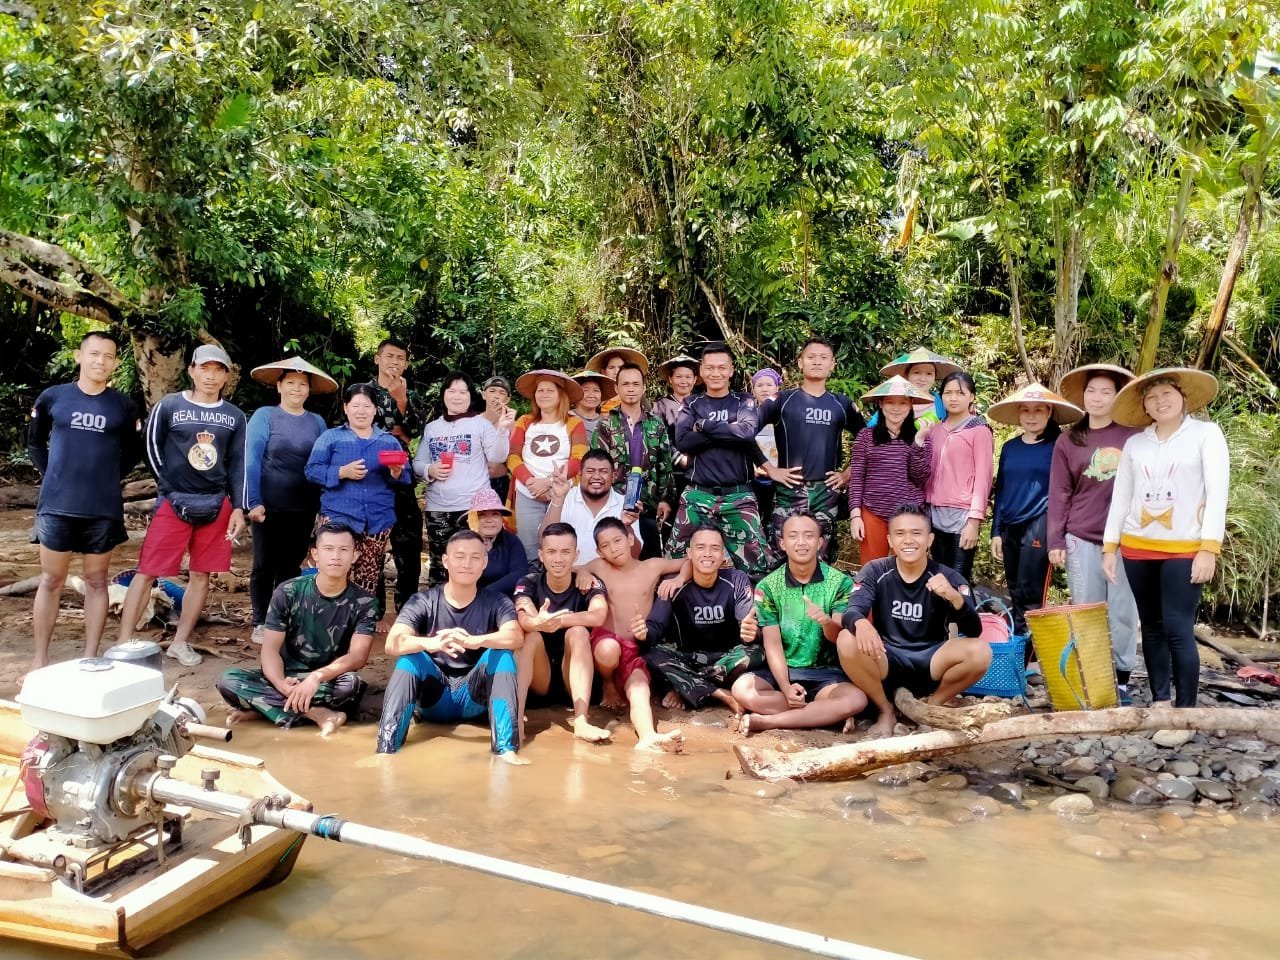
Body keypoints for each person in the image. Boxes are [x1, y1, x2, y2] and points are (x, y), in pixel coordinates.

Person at [1103, 368, 1228, 709]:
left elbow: (1217, 493)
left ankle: (1186, 712)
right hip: (1137, 546)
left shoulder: (1206, 434)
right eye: (1152, 397)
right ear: (1144, 406)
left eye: (1167, 394)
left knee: (1178, 626)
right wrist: (1110, 547)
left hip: (1185, 548)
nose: (1160, 402)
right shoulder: (1135, 443)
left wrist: (1209, 548)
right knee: (1152, 626)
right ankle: (1160, 701)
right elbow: (1121, 497)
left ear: (1182, 398)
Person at [117, 344, 247, 667]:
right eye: (204, 368)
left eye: (218, 370)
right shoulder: (170, 405)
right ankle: (123, 643)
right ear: (191, 371)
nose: (210, 376)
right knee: (147, 571)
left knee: (201, 575)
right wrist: (168, 486)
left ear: (226, 377)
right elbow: (151, 445)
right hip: (172, 501)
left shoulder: (234, 416)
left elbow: (238, 463)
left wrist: (238, 507)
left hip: (216, 503)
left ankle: (180, 642)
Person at [28, 331, 140, 670]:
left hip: (102, 509)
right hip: (57, 505)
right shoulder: (53, 397)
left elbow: (132, 452)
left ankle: (91, 656)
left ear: (115, 363)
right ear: (79, 356)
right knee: (51, 580)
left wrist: (107, 477)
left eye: (108, 356)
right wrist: (53, 474)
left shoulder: (123, 406)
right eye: (93, 353)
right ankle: (39, 660)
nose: (100, 361)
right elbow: (35, 442)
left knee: (96, 581)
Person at [836, 505, 990, 739]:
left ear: (930, 539)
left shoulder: (948, 576)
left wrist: (954, 598)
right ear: (890, 540)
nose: (908, 540)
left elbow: (974, 630)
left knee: (980, 651)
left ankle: (932, 707)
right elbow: (852, 610)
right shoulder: (876, 570)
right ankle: (885, 710)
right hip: (887, 658)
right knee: (846, 639)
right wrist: (861, 623)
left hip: (932, 660)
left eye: (916, 533)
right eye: (900, 533)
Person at [376, 530, 526, 761]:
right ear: (445, 561)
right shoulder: (423, 600)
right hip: (434, 698)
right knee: (410, 658)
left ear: (485, 562)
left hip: (474, 698)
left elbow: (515, 637)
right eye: (459, 556)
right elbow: (392, 643)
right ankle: (386, 749)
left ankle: (506, 750)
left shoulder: (497, 601)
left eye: (475, 557)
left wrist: (476, 641)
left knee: (502, 655)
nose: (467, 564)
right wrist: (433, 643)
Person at [217, 522, 376, 734]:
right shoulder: (288, 591)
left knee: (350, 686)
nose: (336, 556)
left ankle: (265, 708)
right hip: (285, 676)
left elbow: (357, 657)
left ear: (355, 556)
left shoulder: (365, 602)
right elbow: (270, 649)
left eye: (344, 550)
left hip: (327, 680)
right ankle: (316, 713)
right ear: (315, 554)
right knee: (229, 680)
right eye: (328, 549)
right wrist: (280, 684)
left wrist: (316, 677)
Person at [1050, 364, 1140, 700]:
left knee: (1122, 610)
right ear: (1083, 396)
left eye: (1106, 391)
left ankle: (1121, 680)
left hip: (1124, 540)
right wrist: (1056, 539)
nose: (1097, 398)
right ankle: (1092, 679)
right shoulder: (1069, 440)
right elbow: (1060, 493)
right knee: (1086, 610)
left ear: (1118, 397)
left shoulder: (1133, 436)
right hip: (1081, 535)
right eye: (1092, 391)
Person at [730, 513, 866, 734]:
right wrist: (785, 687)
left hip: (826, 674)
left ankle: (767, 722)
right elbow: (772, 643)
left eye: (809, 536)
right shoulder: (768, 586)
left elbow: (838, 637)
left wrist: (826, 622)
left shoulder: (840, 582)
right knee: (742, 689)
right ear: (782, 543)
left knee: (857, 698)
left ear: (820, 542)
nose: (801, 542)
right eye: (793, 536)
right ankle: (826, 714)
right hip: (785, 671)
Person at [244, 356, 335, 644]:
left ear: (309, 390)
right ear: (279, 386)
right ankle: (261, 620)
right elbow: (252, 459)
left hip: (304, 506)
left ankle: (283, 618)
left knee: (291, 565)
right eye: (291, 382)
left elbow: (324, 462)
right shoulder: (265, 416)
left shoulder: (317, 422)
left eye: (302, 384)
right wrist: (253, 501)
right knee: (264, 564)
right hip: (268, 505)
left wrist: (325, 505)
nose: (297, 388)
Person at [581, 518, 688, 752]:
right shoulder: (600, 566)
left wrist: (679, 578)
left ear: (630, 539)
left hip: (635, 648)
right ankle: (608, 685)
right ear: (599, 551)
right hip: (605, 642)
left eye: (617, 541)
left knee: (640, 689)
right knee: (609, 650)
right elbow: (576, 568)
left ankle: (648, 736)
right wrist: (583, 573)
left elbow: (688, 562)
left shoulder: (652, 566)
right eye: (606, 545)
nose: (613, 548)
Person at [670, 344, 775, 578]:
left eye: (721, 367)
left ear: (731, 370)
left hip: (738, 496)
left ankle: (749, 602)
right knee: (676, 562)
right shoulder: (691, 403)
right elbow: (683, 441)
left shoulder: (744, 401)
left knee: (757, 568)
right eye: (710, 368)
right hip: (697, 495)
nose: (715, 373)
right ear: (701, 371)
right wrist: (729, 431)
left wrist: (704, 426)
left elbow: (747, 432)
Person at [304, 383, 411, 613]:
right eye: (355, 405)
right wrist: (341, 472)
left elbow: (406, 477)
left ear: (375, 410)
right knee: (334, 570)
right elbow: (311, 470)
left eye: (367, 406)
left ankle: (361, 623)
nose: (361, 411)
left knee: (368, 576)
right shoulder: (331, 437)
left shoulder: (388, 441)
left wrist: (396, 472)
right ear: (346, 408)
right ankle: (327, 618)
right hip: (338, 517)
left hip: (377, 520)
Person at [987, 384, 1083, 636]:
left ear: (1049, 412)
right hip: (1010, 525)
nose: (1031, 416)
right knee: (1015, 589)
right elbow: (1002, 490)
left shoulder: (1059, 445)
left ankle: (1029, 652)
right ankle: (1018, 647)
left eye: (1038, 410)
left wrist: (1059, 535)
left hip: (1040, 523)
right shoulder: (1010, 448)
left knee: (1030, 593)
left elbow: (1068, 490)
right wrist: (996, 531)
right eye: (1026, 410)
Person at [757, 339, 865, 558]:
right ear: (800, 362)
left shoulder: (842, 404)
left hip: (826, 492)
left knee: (821, 555)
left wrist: (847, 474)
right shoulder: (782, 400)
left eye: (823, 358)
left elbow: (868, 441)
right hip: (789, 490)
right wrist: (770, 469)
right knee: (780, 553)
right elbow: (744, 434)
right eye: (811, 357)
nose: (817, 362)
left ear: (832, 364)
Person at [644, 525, 761, 715]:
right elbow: (656, 626)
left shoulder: (736, 579)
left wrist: (752, 632)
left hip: (725, 658)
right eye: (700, 547)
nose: (707, 554)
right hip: (687, 658)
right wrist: (643, 632)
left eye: (715, 548)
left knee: (756, 653)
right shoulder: (673, 583)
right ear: (689, 553)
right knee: (652, 653)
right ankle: (719, 693)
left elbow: (746, 627)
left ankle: (684, 686)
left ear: (723, 554)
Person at [513, 522, 612, 743]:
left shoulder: (588, 583)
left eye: (566, 552)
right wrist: (537, 622)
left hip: (575, 680)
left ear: (576, 555)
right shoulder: (528, 582)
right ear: (541, 555)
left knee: (578, 632)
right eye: (551, 552)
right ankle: (515, 718)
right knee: (530, 636)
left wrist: (558, 621)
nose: (558, 559)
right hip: (540, 678)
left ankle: (581, 721)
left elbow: (598, 615)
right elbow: (524, 616)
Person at [414, 371, 514, 586]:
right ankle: (438, 604)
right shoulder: (432, 428)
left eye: (463, 392)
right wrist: (430, 469)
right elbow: (418, 463)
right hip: (438, 508)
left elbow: (497, 456)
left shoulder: (480, 424)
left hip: (472, 508)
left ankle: (474, 604)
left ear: (470, 396)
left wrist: (503, 430)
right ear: (443, 394)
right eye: (452, 391)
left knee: (472, 560)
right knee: (440, 563)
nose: (457, 396)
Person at [357, 338, 425, 614]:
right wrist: (397, 432)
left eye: (400, 358)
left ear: (406, 364)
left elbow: (415, 430)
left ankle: (408, 610)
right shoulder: (363, 392)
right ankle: (373, 611)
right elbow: (360, 429)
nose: (395, 362)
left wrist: (401, 399)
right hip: (370, 475)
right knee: (371, 543)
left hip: (401, 475)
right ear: (377, 359)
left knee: (408, 543)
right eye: (390, 356)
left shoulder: (411, 393)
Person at [591, 362, 674, 558]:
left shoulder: (656, 423)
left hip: (648, 505)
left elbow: (665, 464)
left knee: (649, 559)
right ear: (616, 388)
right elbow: (597, 465)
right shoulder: (606, 424)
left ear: (644, 388)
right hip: (614, 504)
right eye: (625, 384)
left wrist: (665, 499)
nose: (630, 389)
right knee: (616, 557)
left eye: (636, 384)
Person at [848, 376, 934, 565]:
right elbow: (857, 477)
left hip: (909, 515)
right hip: (872, 512)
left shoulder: (922, 436)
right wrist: (855, 515)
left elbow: (920, 477)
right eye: (890, 402)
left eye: (902, 403)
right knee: (871, 570)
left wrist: (918, 443)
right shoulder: (866, 436)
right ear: (880, 404)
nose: (896, 408)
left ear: (911, 405)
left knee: (908, 569)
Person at [506, 369, 588, 560]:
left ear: (561, 395)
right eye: (540, 390)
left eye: (550, 390)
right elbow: (513, 456)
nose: (544, 394)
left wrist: (549, 482)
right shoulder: (524, 422)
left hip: (563, 492)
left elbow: (579, 459)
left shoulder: (574, 423)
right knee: (528, 549)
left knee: (562, 545)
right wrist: (530, 482)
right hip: (527, 492)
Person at [924, 371, 993, 582]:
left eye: (960, 393)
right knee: (937, 576)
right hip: (934, 513)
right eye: (948, 393)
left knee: (957, 580)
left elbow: (983, 478)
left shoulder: (979, 430)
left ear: (971, 397)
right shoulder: (935, 430)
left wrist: (974, 521)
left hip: (962, 516)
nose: (953, 398)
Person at [542, 449, 643, 561]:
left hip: (610, 572)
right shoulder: (565, 497)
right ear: (580, 474)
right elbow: (543, 543)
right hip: (570, 571)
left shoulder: (626, 504)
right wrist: (558, 499)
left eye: (603, 471)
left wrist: (626, 526)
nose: (596, 476)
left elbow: (634, 556)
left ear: (613, 476)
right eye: (590, 471)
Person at [651, 353, 699, 540]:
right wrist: (678, 457)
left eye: (688, 377)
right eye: (678, 376)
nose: (683, 381)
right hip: (670, 473)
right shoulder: (661, 406)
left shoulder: (702, 404)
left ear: (695, 379)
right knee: (670, 522)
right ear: (670, 379)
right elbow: (658, 436)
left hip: (699, 472)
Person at [873, 347, 957, 426]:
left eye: (929, 373)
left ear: (935, 376)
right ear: (907, 375)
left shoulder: (942, 402)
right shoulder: (895, 399)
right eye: (916, 372)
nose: (923, 379)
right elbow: (871, 429)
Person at [467, 486, 529, 595]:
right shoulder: (463, 542)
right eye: (482, 515)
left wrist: (487, 593)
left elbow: (520, 573)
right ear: (473, 520)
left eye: (495, 514)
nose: (489, 520)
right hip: (470, 598)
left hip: (505, 599)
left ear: (501, 518)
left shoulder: (511, 541)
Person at [750, 367, 782, 529]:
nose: (764, 389)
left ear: (777, 388)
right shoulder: (746, 416)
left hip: (780, 479)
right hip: (753, 479)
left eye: (769, 385)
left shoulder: (784, 416)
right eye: (760, 385)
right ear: (753, 390)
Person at [585, 346, 649, 415]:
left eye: (620, 367)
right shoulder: (597, 395)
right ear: (603, 372)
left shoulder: (635, 394)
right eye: (611, 367)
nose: (616, 372)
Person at [480, 376, 515, 501]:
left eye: (502, 392)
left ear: (507, 399)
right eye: (492, 391)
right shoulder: (473, 422)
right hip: (476, 482)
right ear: (484, 395)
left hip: (502, 482)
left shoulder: (512, 424)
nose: (496, 396)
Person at [570, 370, 615, 444]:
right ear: (576, 393)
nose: (591, 395)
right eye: (586, 390)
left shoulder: (607, 422)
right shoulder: (566, 418)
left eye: (596, 390)